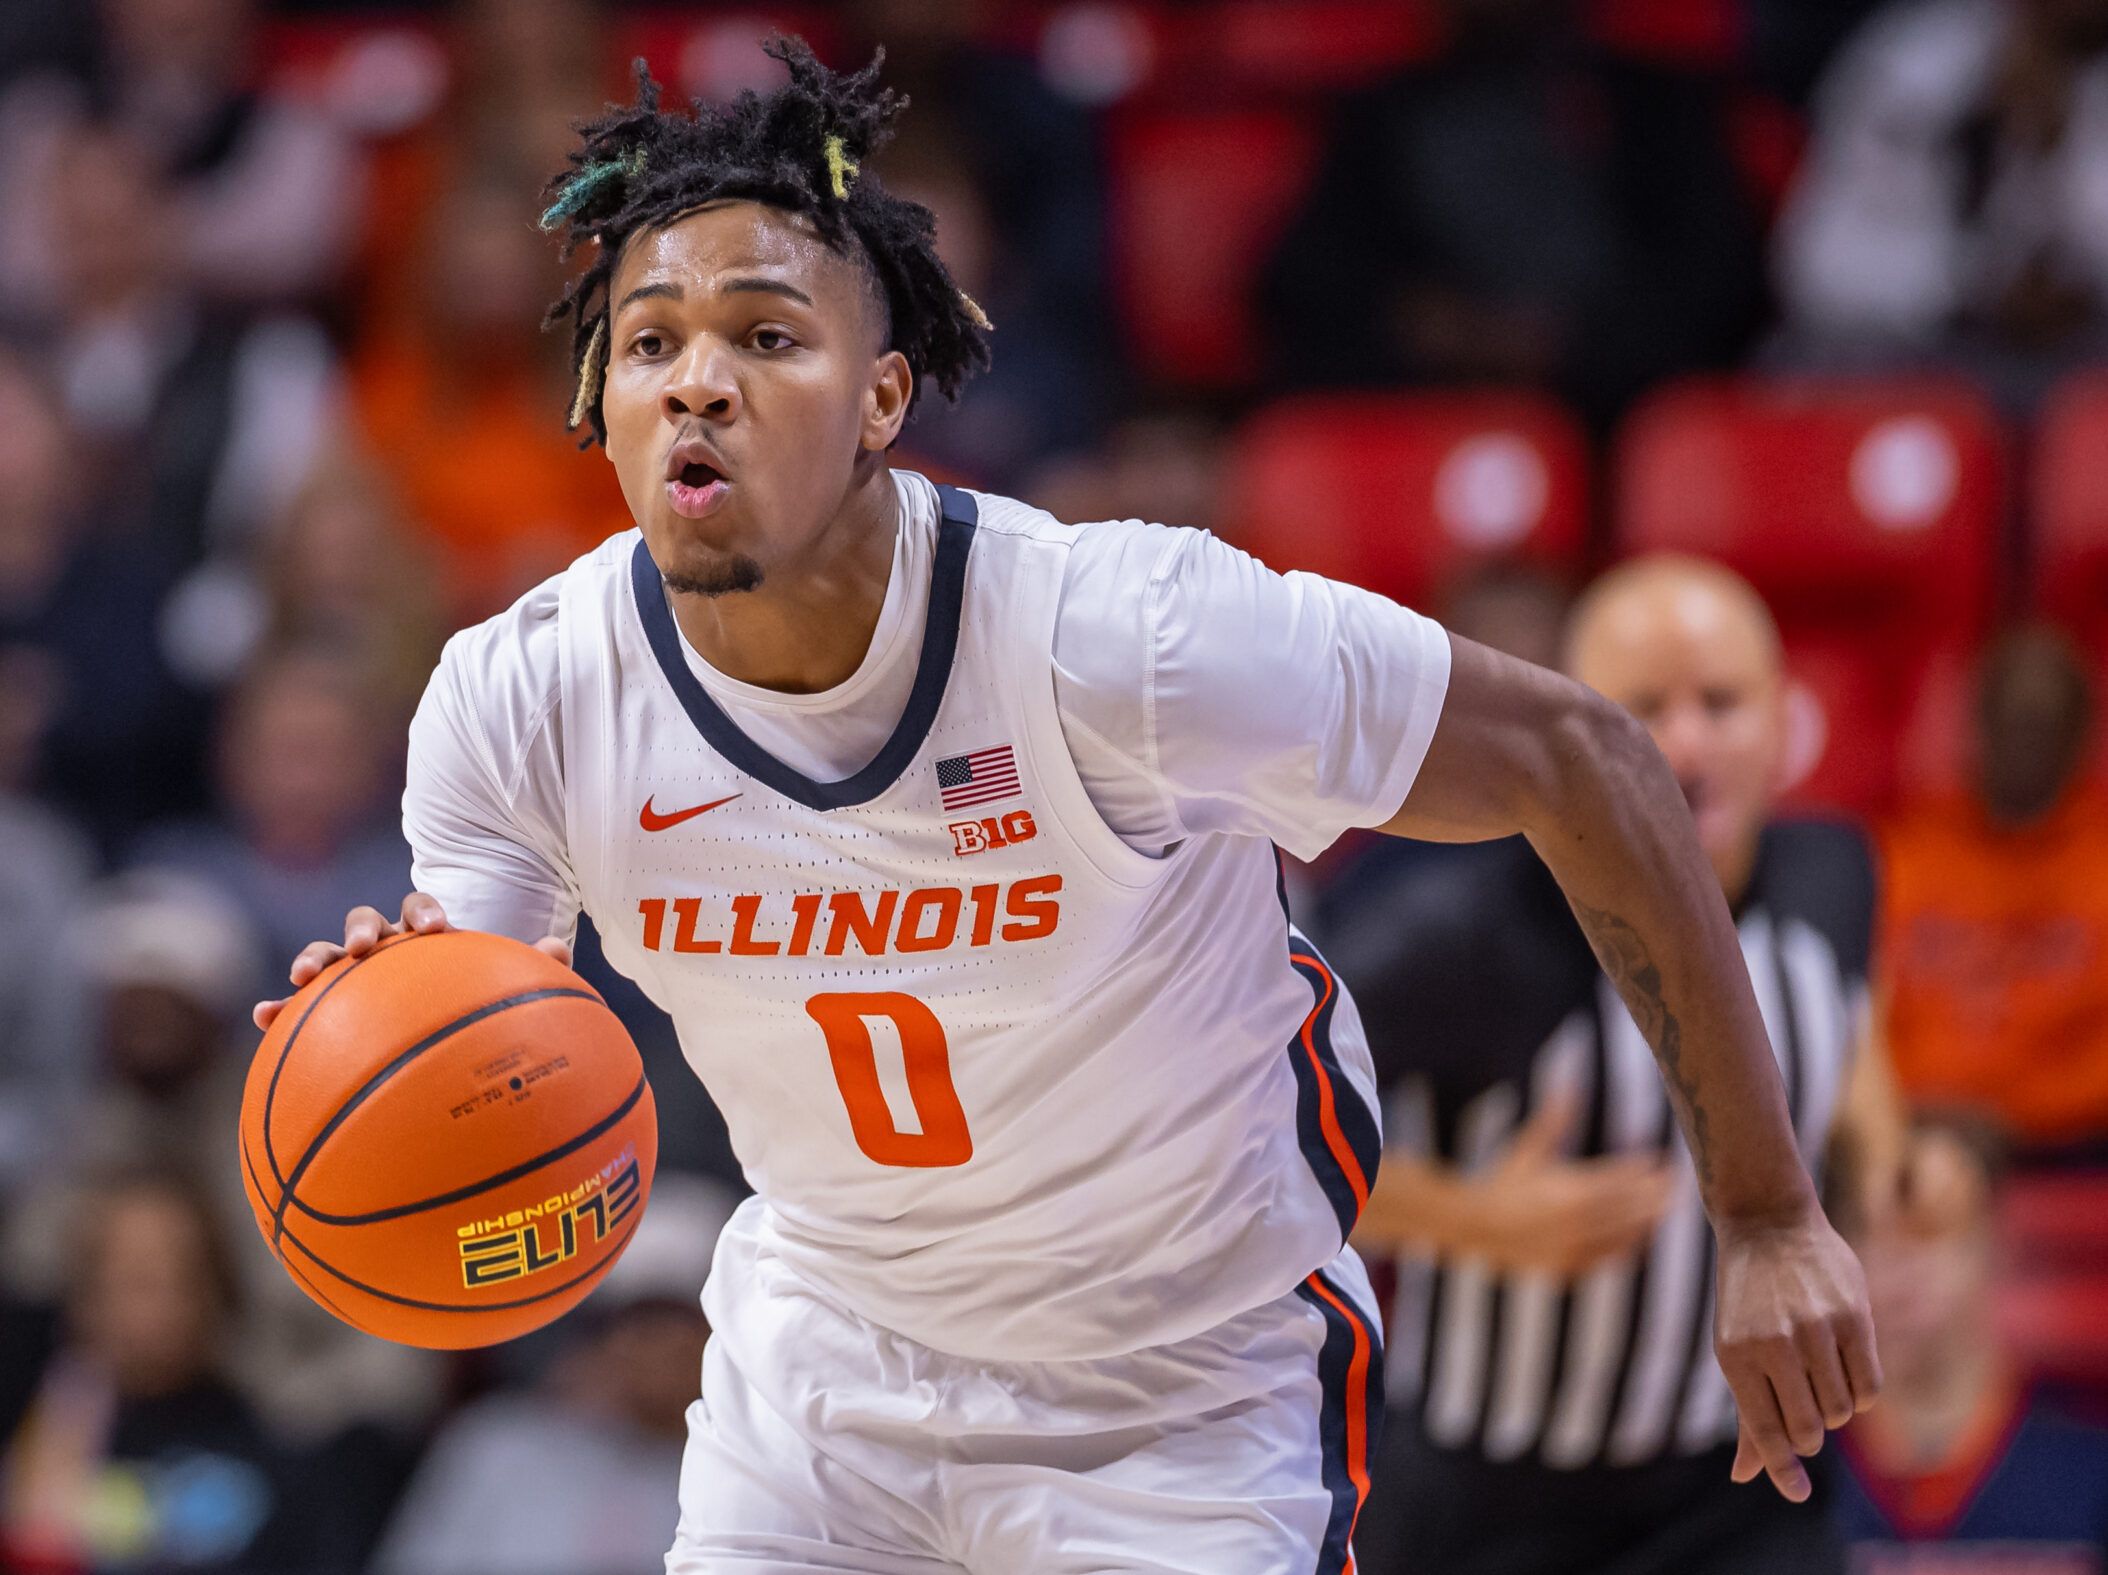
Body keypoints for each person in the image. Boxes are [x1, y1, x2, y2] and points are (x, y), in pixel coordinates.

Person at [257, 42, 1877, 1572]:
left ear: (884, 396)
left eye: (765, 337)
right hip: (827, 1375)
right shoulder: (520, 699)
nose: (698, 385)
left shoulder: (1122, 638)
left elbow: (1585, 758)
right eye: (649, 344)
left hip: (1174, 1384)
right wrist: (379, 1032)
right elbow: (484, 1048)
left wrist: (1764, 1210)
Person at [1337, 555, 1904, 1575]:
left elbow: (1847, 1033)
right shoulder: (1455, 933)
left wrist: (1892, 1156)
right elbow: (1252, 1137)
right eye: (1643, 709)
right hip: (1485, 1501)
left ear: (1784, 720)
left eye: (1720, 703)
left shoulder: (1835, 876)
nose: (1685, 746)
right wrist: (1472, 1221)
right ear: (1571, 739)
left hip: (1741, 1487)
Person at [1261, 0, 1765, 430]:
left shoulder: (1658, 105)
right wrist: (1435, 326)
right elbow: (1306, 287)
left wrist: (1567, 342)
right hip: (1424, 415)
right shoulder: (1382, 114)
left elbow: (1720, 290)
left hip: (1616, 424)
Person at [372, 1176, 735, 1575]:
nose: (646, 1345)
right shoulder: (498, 1448)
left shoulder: (750, 1472)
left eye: (672, 1321)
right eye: (629, 1321)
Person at [1772, 0, 2108, 411]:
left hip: (2072, 361)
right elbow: (1823, 267)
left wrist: (2055, 145)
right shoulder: (1922, 61)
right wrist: (1970, 287)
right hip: (1916, 354)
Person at [1830, 1119, 2108, 1570]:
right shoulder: (1782, 1474)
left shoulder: (2088, 1471)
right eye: (1864, 1232)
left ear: (1998, 1243)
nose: (1893, 1266)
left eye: (1926, 1230)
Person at [1879, 623, 2108, 1151]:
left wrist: (2010, 1117)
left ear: (2082, 737)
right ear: (1977, 723)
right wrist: (1913, 1104)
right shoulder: (1901, 856)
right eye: (2008, 720)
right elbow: (1864, 1020)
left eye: (2043, 726)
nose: (2023, 744)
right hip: (1912, 1134)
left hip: (2067, 1149)